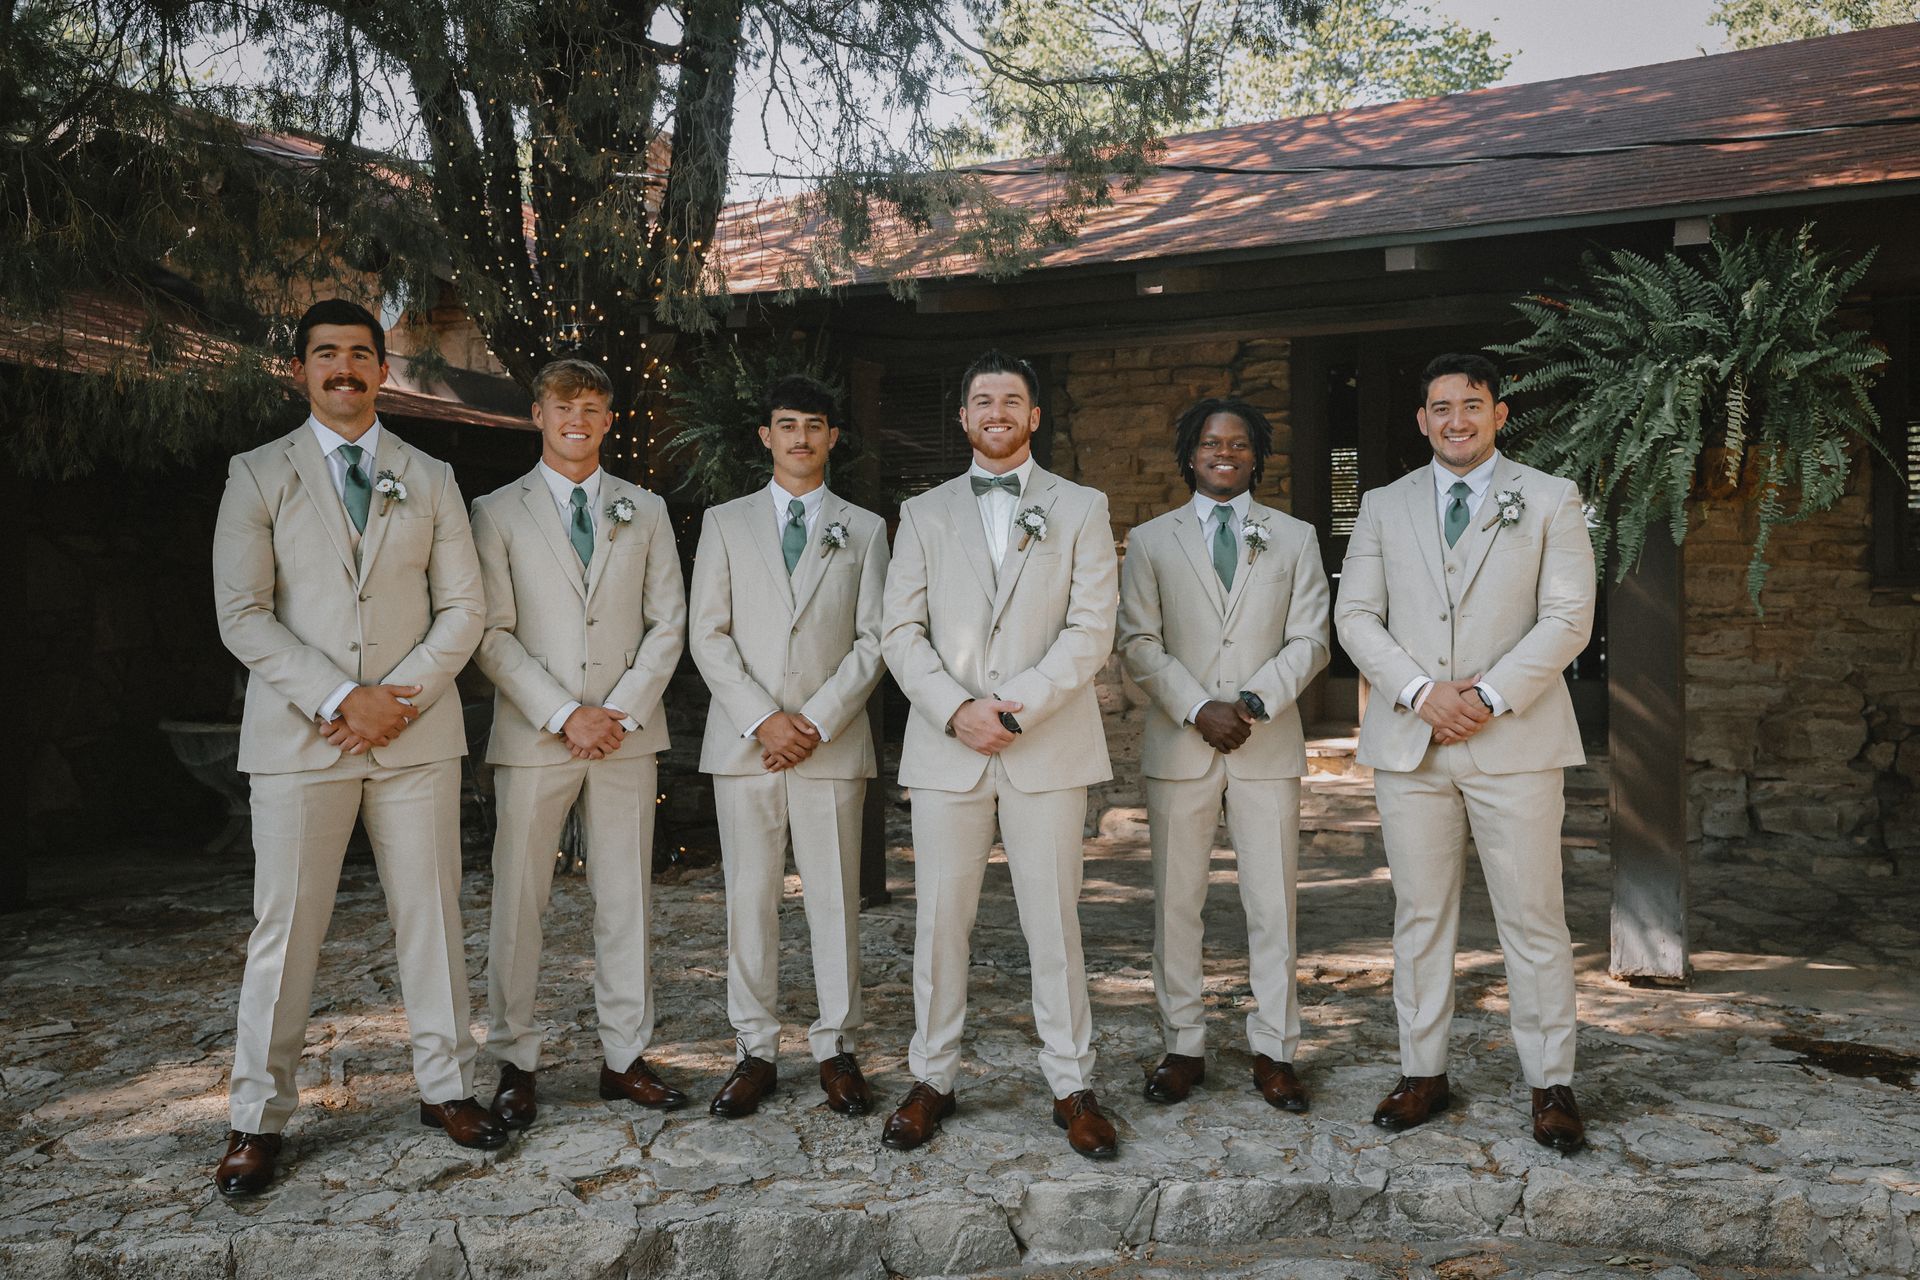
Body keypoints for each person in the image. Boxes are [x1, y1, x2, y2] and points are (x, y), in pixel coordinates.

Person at [211, 298, 497, 1197]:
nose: (344, 368)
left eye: (361, 354)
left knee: (433, 914)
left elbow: (465, 608)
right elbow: (242, 614)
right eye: (326, 354)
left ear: (384, 368)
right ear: (300, 370)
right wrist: (341, 699)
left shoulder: (432, 474)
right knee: (285, 927)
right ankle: (258, 1117)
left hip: (414, 738)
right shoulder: (257, 474)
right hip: (302, 740)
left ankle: (446, 1088)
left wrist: (395, 703)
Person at [1335, 352, 1596, 1153]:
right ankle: (1424, 1072)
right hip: (1410, 746)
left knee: (1534, 917)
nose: (1456, 419)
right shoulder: (1383, 504)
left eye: (1472, 405)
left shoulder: (1551, 498)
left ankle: (1550, 1084)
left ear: (1498, 414)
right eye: (1441, 406)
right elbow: (1356, 617)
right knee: (1418, 917)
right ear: (1422, 420)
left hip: (1514, 740)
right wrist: (1421, 694)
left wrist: (1484, 696)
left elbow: (1568, 618)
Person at [878, 349, 1121, 1159]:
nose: (996, 412)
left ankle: (1071, 1082)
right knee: (941, 921)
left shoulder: (1082, 507)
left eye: (1011, 400)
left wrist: (1013, 713)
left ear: (1034, 416)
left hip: (1044, 745)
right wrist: (956, 712)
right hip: (946, 750)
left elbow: (1091, 630)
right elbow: (899, 632)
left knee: (1053, 921)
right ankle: (933, 1078)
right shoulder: (922, 513)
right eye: (982, 400)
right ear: (963, 417)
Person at [470, 358, 688, 1128]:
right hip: (535, 736)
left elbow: (669, 623)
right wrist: (565, 712)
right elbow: (489, 632)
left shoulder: (646, 509)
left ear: (607, 420)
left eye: (594, 407)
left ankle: (625, 1057)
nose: (579, 418)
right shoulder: (495, 511)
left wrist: (619, 713)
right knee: (518, 901)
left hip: (626, 738)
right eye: (566, 405)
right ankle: (515, 1061)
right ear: (538, 413)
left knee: (625, 898)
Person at [1117, 398, 1329, 1111]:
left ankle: (1275, 1049)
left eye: (1239, 443)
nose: (1225, 452)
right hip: (1181, 744)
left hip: (1265, 744)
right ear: (1190, 452)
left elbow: (1311, 639)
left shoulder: (1295, 538)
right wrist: (1195, 707)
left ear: (1255, 454)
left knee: (1273, 906)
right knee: (1177, 905)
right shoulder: (1149, 541)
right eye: (1211, 442)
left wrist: (1251, 703)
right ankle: (1183, 1045)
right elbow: (1138, 641)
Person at [687, 374, 889, 1118]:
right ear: (765, 437)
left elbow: (875, 639)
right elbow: (706, 632)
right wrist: (763, 719)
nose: (800, 437)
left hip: (828, 745)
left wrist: (815, 721)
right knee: (750, 898)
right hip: (745, 744)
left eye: (814, 424)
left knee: (835, 898)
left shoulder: (864, 528)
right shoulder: (724, 522)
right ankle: (754, 1048)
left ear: (833, 437)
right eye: (786, 425)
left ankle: (836, 1044)